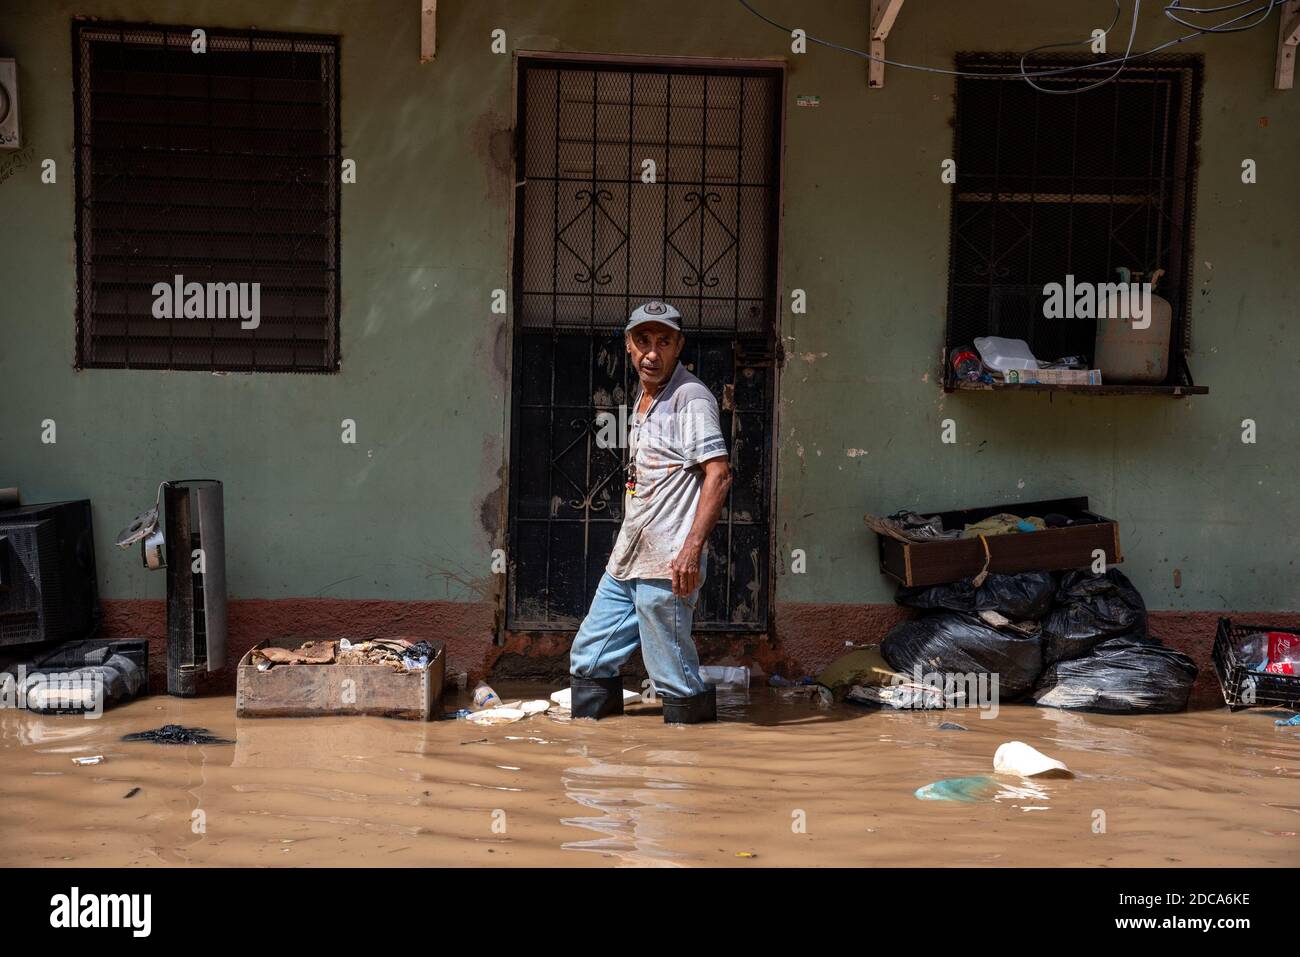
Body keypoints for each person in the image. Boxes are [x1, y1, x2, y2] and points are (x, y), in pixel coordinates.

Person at [567, 301, 732, 724]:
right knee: (589, 657)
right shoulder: (645, 397)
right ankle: (596, 761)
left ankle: (683, 771)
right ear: (628, 345)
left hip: (668, 564)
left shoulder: (690, 397)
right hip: (628, 561)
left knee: (672, 677)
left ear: (679, 346)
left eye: (663, 342)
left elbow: (718, 475)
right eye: (643, 341)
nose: (652, 353)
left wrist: (692, 548)